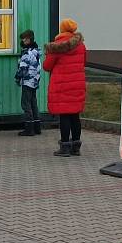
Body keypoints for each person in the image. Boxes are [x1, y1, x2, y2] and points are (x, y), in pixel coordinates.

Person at [43, 18, 87, 157]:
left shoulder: (57, 46)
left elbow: (46, 66)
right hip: (77, 84)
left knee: (64, 116)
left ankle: (65, 147)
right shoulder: (81, 45)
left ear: (62, 29)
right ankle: (76, 146)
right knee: (75, 115)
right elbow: (83, 62)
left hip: (62, 85)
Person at [15, 30, 41, 136]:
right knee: (33, 104)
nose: (22, 41)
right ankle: (37, 127)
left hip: (27, 82)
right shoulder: (36, 52)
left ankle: (29, 129)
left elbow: (23, 69)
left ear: (29, 39)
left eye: (24, 39)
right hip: (35, 81)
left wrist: (17, 78)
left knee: (25, 104)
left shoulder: (26, 53)